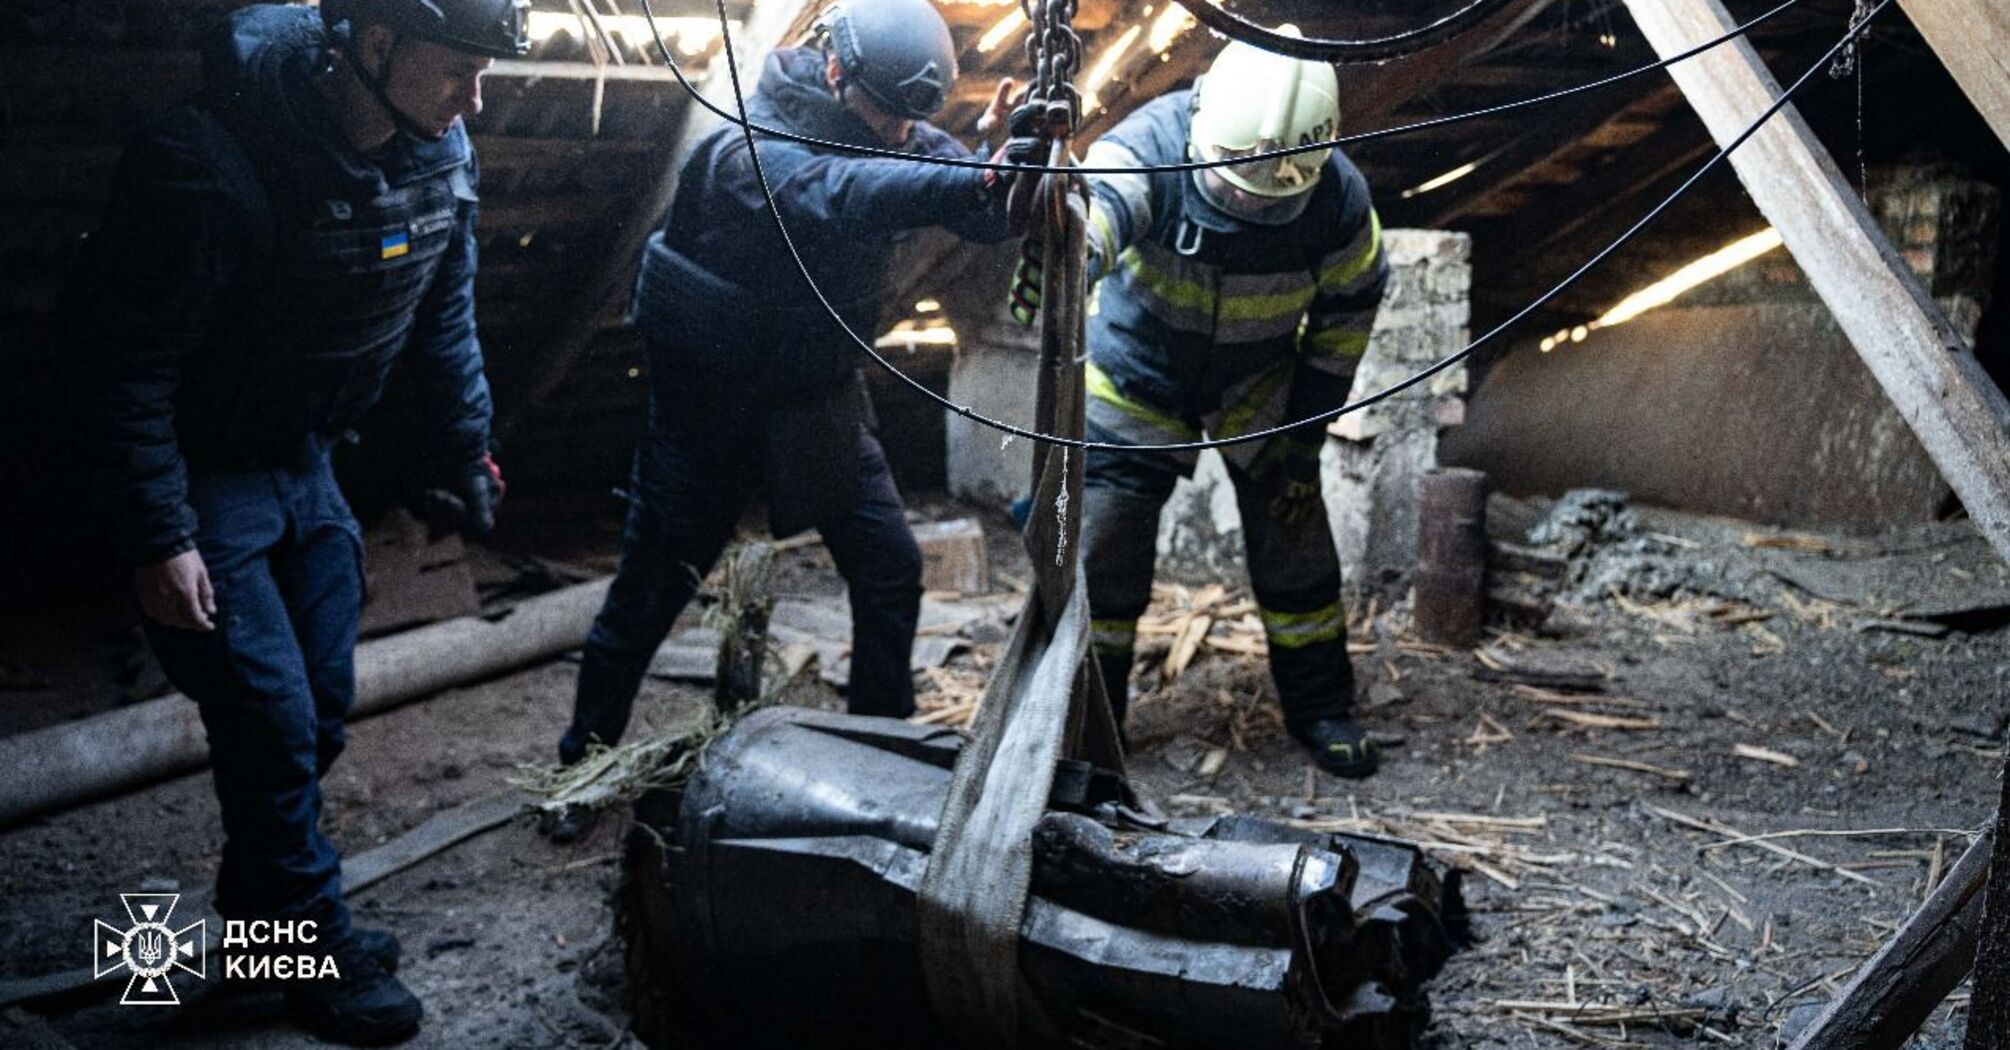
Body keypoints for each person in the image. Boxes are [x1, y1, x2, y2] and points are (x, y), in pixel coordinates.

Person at [69, 0, 522, 1041]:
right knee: (269, 715)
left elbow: (443, 311)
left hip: (308, 459)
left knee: (317, 706)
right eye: (457, 70)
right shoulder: (207, 165)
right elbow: (121, 365)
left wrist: (466, 445)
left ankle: (264, 926)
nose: (474, 99)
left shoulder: (437, 154)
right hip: (204, 477)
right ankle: (313, 947)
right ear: (372, 47)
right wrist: (159, 535)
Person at [545, 0, 1016, 840]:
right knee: (649, 597)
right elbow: (841, 191)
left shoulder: (895, 124)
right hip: (708, 411)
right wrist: (973, 179)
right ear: (835, 72)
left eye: (914, 121)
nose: (899, 134)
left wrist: (1012, 166)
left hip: (814, 396)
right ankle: (582, 762)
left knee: (890, 569)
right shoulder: (743, 149)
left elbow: (960, 190)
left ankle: (881, 750)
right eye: (884, 113)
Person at [1034, 40, 1391, 777]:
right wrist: (1063, 263)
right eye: (1230, 191)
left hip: (1256, 388)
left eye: (1266, 201)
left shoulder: (1340, 204)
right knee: (1104, 554)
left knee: (1297, 543)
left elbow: (1346, 319)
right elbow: (1098, 212)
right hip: (1139, 377)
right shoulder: (1152, 147)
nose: (1244, 205)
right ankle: (1088, 729)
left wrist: (1306, 436)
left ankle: (1323, 706)